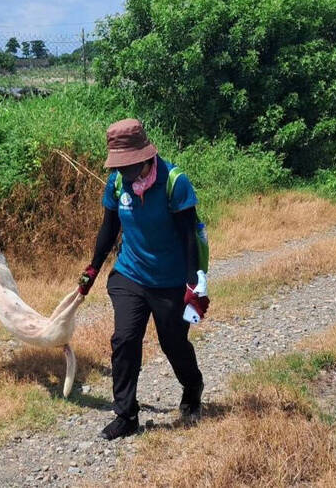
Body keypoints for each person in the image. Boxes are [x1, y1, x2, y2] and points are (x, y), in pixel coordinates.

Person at [77, 118, 210, 440]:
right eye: (118, 166)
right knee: (124, 340)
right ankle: (126, 415)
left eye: (128, 165)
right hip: (130, 274)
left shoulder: (174, 182)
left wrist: (196, 281)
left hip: (170, 279)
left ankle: (193, 388)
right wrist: (92, 269)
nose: (122, 171)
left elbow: (189, 235)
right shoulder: (117, 183)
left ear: (144, 155)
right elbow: (109, 228)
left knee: (173, 343)